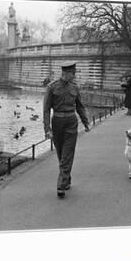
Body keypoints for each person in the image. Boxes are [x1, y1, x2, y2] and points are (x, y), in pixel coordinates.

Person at [43, 62, 90, 198]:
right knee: (61, 154)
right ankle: (67, 178)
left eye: (74, 73)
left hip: (71, 122)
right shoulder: (52, 87)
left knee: (67, 154)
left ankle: (60, 185)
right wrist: (47, 129)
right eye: (72, 73)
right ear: (65, 73)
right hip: (57, 122)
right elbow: (46, 110)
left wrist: (85, 122)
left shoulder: (74, 87)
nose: (74, 76)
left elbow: (80, 106)